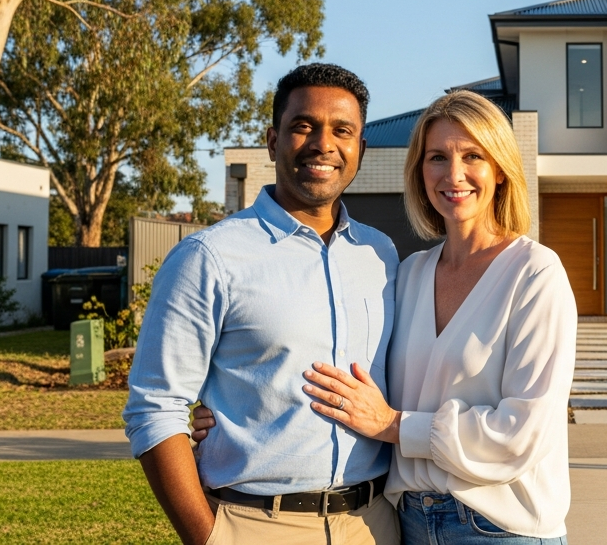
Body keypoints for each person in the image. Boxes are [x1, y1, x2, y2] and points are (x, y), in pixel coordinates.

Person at [195, 89, 577, 544]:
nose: (453, 174)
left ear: (500, 169)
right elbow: (342, 362)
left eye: (473, 155)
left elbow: (522, 433)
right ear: (420, 172)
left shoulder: (534, 273)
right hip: (408, 523)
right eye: (437, 157)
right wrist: (230, 411)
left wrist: (394, 426)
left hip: (501, 528)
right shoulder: (407, 272)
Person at [125, 63, 400, 545]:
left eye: (342, 131)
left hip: (374, 524)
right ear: (273, 141)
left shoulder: (381, 255)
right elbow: (155, 407)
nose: (323, 144)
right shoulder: (209, 257)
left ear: (360, 148)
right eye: (303, 126)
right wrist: (209, 538)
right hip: (256, 525)